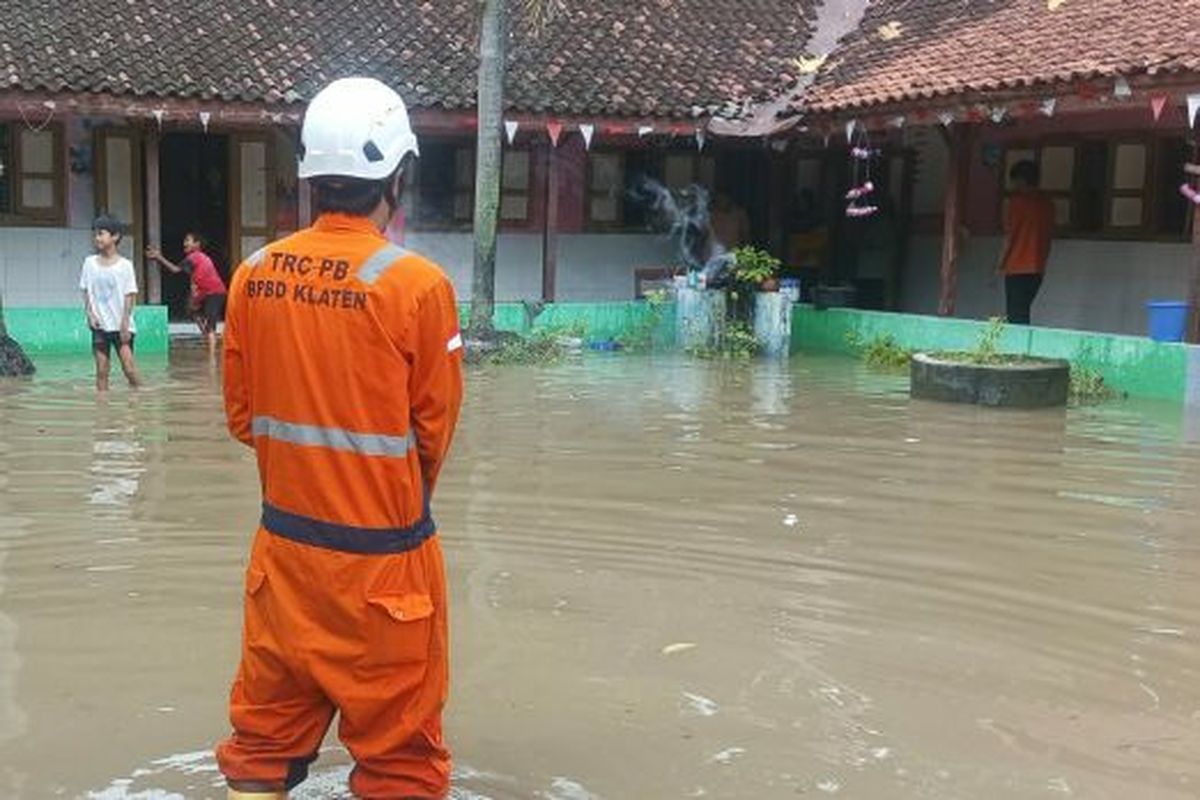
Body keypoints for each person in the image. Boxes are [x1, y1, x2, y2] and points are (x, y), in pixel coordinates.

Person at [215, 77, 464, 800]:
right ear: (400, 175)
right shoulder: (418, 286)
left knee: (261, 747)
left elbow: (241, 419)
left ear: (310, 176)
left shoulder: (252, 275)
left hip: (283, 562)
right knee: (401, 767)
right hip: (386, 569)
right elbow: (433, 432)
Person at [80, 214, 141, 391]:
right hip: (99, 326)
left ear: (115, 237)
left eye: (101, 233)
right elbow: (85, 290)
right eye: (95, 234)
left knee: (129, 370)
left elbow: (130, 296)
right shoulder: (89, 263)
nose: (97, 238)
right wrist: (90, 315)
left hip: (121, 326)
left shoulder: (125, 265)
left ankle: (140, 402)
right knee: (101, 372)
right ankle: (102, 413)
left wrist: (124, 324)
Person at [146, 232, 228, 355]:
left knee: (211, 326)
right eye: (185, 240)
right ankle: (207, 339)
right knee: (191, 308)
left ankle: (212, 359)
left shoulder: (194, 257)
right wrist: (194, 293)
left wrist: (158, 257)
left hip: (215, 292)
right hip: (205, 292)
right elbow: (195, 276)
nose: (185, 243)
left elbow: (175, 269)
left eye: (188, 240)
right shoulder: (200, 258)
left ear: (197, 244)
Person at [997, 160, 1055, 325]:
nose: (1012, 185)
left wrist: (997, 267)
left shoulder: (1017, 203)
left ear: (1021, 180)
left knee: (1016, 317)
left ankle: (1017, 349)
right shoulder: (1048, 204)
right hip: (1037, 270)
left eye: (1014, 180)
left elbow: (1009, 238)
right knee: (1023, 313)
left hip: (1017, 268)